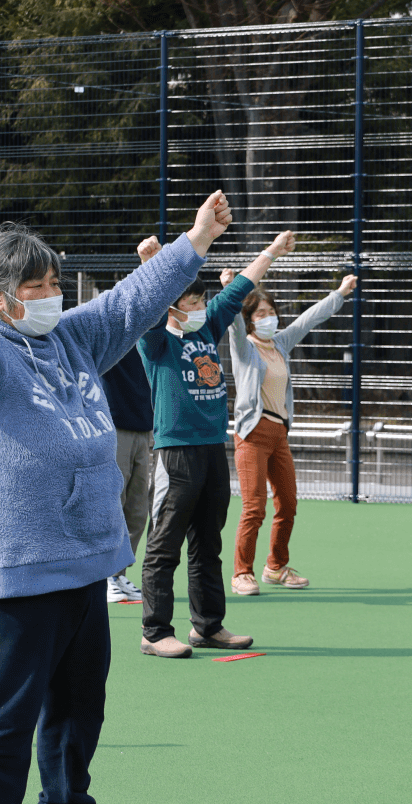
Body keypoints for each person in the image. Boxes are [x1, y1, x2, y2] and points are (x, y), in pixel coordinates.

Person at [0, 190, 232, 804]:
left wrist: (195, 241)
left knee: (79, 700)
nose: (52, 297)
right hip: (12, 564)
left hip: (82, 561)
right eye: (36, 288)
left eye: (56, 284)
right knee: (5, 706)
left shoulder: (66, 338)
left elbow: (129, 303)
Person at [135, 233, 280, 657]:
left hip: (214, 449)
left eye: (202, 302)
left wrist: (271, 252)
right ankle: (155, 630)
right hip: (175, 452)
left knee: (207, 542)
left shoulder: (209, 327)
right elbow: (146, 302)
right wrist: (152, 265)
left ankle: (208, 626)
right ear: (172, 307)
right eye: (193, 303)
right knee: (164, 544)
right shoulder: (156, 340)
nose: (201, 308)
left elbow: (239, 290)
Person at [221, 248, 356, 594]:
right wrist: (230, 289)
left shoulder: (280, 344)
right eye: (261, 313)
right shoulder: (244, 346)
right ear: (250, 319)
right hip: (252, 434)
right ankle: (241, 573)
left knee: (289, 504)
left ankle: (276, 567)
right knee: (254, 507)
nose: (269, 318)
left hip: (279, 433)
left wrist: (338, 294)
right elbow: (233, 321)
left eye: (271, 312)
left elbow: (307, 320)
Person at [102, 235, 165, 604]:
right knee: (113, 506)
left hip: (145, 431)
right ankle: (104, 578)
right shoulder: (110, 336)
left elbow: (154, 305)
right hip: (116, 430)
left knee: (138, 511)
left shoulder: (152, 337)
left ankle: (119, 575)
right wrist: (146, 268)